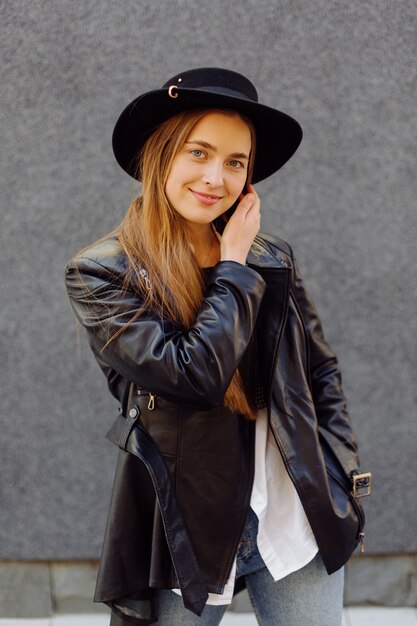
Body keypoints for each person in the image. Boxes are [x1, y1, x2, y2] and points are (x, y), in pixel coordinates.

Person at [65, 68, 371, 626]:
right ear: (160, 156)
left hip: (292, 512)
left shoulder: (270, 256)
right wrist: (231, 266)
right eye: (198, 152)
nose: (216, 177)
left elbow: (320, 372)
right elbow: (193, 377)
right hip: (188, 527)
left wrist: (338, 474)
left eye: (235, 162)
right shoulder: (103, 273)